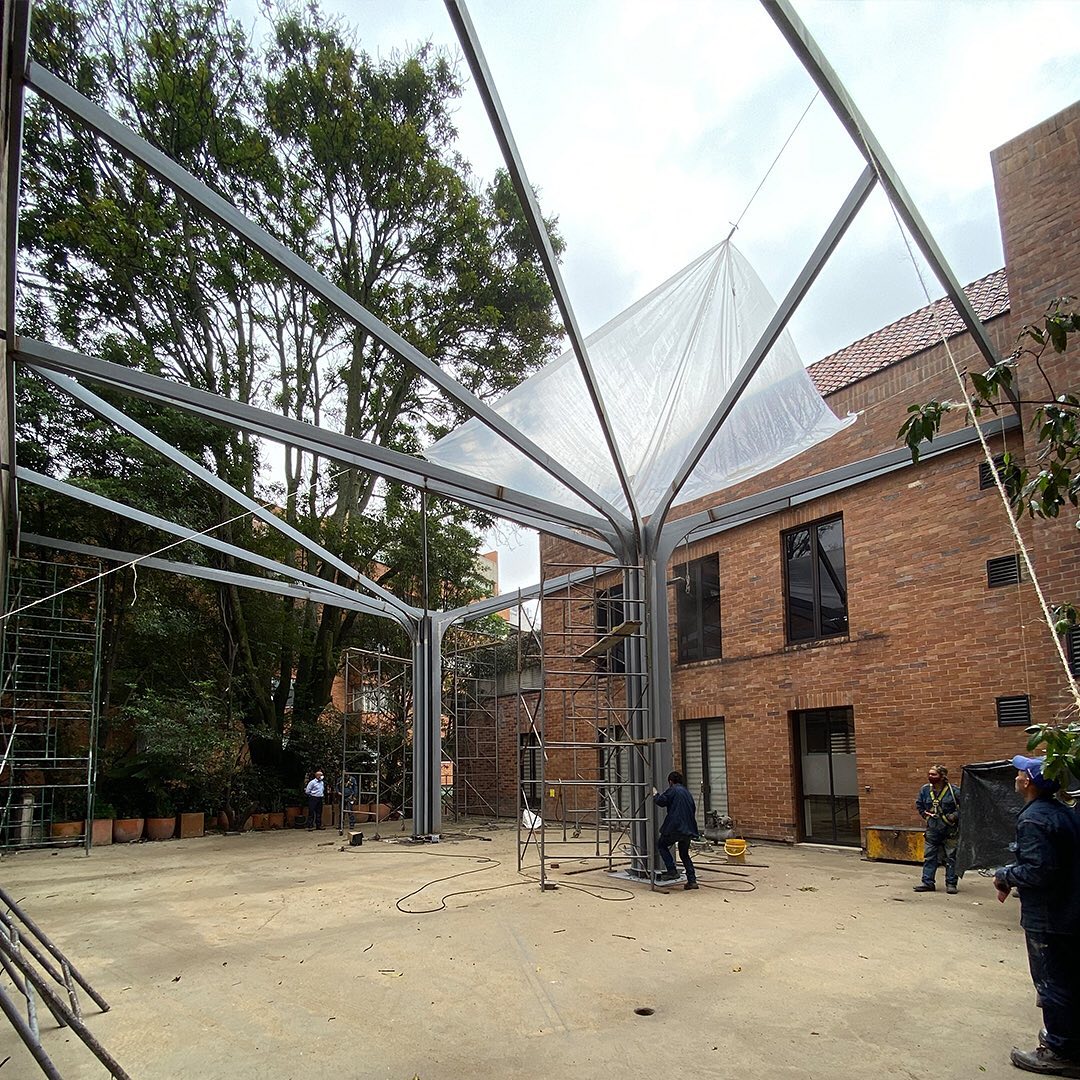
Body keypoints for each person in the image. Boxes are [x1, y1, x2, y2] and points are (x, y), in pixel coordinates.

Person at [993, 754, 1080, 1077]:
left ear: (1028, 781)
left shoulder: (1034, 819)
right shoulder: (1063, 813)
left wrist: (1005, 874)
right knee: (1068, 978)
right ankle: (1069, 1038)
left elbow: (1038, 871)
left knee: (1052, 982)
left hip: (1050, 916)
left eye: (1019, 772)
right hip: (1069, 911)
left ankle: (1061, 1051)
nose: (1015, 776)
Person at [913, 763, 961, 894]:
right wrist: (926, 816)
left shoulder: (954, 791)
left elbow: (965, 807)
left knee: (951, 857)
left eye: (933, 774)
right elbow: (919, 804)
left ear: (942, 776)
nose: (930, 776)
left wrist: (954, 816)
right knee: (930, 856)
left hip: (950, 829)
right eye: (929, 774)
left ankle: (951, 883)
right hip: (933, 829)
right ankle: (927, 882)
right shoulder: (925, 790)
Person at [653, 771, 700, 890]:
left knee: (662, 844)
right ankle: (692, 880)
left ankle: (671, 870)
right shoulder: (687, 792)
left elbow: (661, 801)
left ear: (670, 781)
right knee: (684, 854)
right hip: (689, 829)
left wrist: (655, 794)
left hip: (676, 827)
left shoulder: (673, 790)